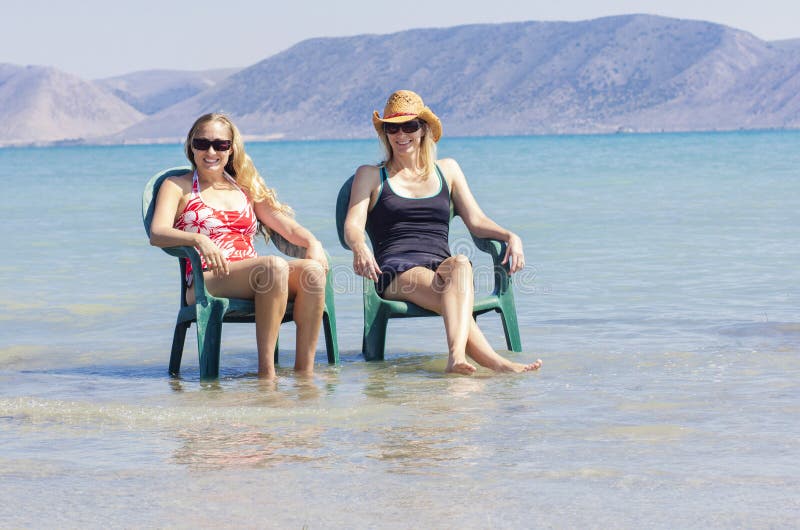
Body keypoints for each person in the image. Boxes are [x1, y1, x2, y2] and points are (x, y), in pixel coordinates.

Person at [344, 90, 542, 375]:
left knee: (461, 263)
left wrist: (511, 236)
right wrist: (359, 246)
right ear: (385, 133)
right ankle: (483, 361)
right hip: (397, 270)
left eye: (410, 126)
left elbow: (476, 220)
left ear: (423, 130)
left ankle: (468, 360)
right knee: (450, 294)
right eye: (392, 127)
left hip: (441, 264)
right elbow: (353, 224)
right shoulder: (371, 175)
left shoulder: (447, 170)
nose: (401, 135)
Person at [150, 113, 328, 380]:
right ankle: (266, 375)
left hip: (255, 275)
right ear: (191, 146)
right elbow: (158, 233)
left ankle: (304, 375)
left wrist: (313, 243)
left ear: (231, 149)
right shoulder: (178, 186)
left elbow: (286, 226)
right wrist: (198, 239)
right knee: (273, 266)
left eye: (220, 145)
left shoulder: (243, 188)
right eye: (202, 143)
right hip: (205, 278)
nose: (211, 151)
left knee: (312, 273)